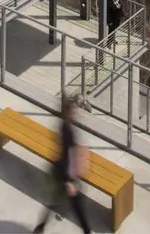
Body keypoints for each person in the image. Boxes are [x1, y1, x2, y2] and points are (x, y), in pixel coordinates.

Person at [33, 96, 92, 234]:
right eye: (73, 112)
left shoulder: (64, 126)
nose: (76, 114)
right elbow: (67, 155)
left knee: (54, 201)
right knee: (77, 205)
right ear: (67, 113)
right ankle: (87, 231)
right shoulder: (67, 131)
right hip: (65, 174)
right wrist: (68, 181)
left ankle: (40, 227)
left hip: (61, 170)